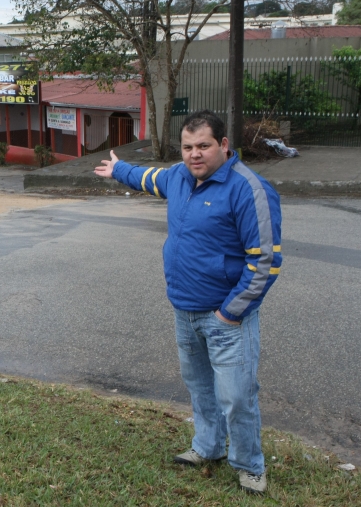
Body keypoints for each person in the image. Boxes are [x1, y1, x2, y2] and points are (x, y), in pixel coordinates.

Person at [94, 110, 282, 495]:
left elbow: (264, 261)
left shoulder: (250, 190)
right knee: (200, 387)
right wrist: (119, 169)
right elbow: (149, 178)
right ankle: (208, 447)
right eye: (187, 147)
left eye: (203, 146)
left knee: (236, 397)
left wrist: (230, 313)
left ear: (224, 145)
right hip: (185, 310)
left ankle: (249, 466)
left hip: (228, 317)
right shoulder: (180, 177)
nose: (194, 154)